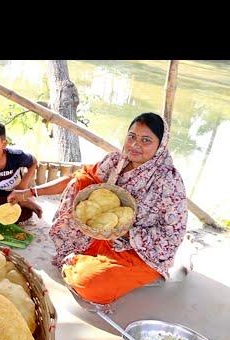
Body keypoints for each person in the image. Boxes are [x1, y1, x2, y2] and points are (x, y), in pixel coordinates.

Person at [11, 113, 187, 304]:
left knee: (91, 285)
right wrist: (29, 192)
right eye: (132, 136)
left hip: (137, 251)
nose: (135, 145)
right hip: (100, 237)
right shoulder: (115, 161)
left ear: (160, 145)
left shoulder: (169, 181)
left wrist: (125, 231)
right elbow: (75, 178)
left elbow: (172, 237)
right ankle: (83, 257)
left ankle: (82, 265)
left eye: (146, 140)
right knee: (83, 180)